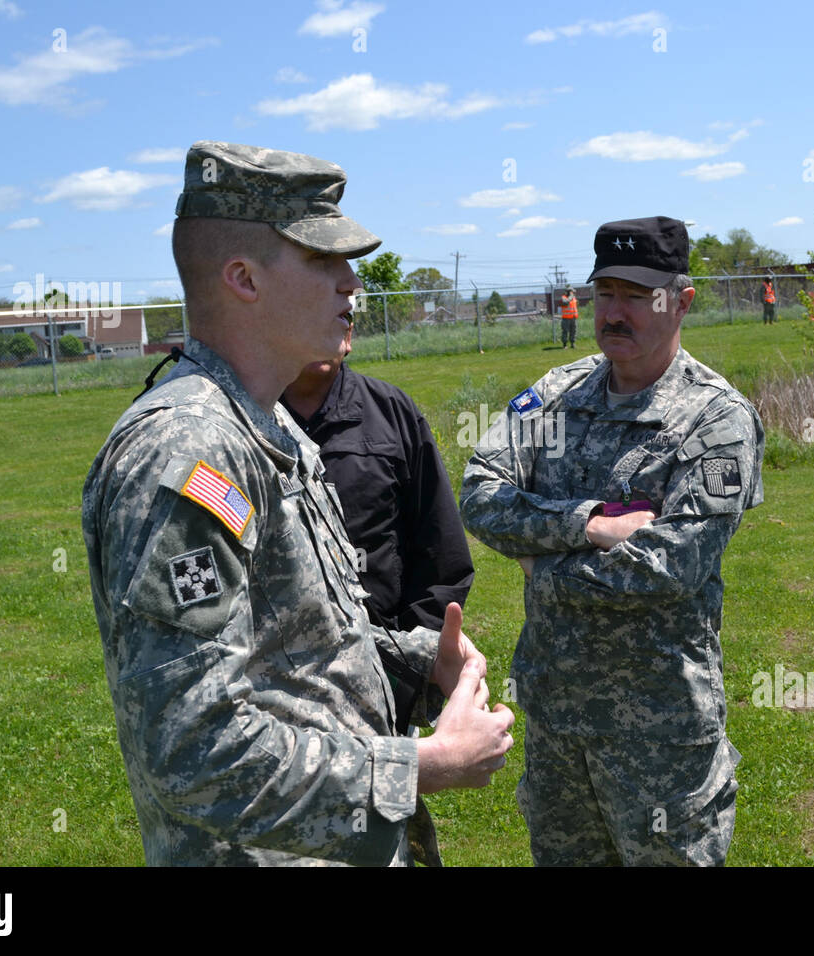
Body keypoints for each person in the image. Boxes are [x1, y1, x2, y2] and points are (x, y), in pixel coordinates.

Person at [82, 141, 514, 866]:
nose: (353, 283)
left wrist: (416, 666)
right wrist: (422, 770)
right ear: (244, 278)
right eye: (323, 261)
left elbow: (298, 649)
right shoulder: (191, 447)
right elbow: (193, 748)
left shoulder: (267, 422)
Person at [461, 216, 764, 866]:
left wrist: (537, 560)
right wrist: (585, 526)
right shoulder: (552, 400)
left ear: (681, 299)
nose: (615, 312)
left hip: (659, 735)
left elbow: (668, 566)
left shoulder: (716, 419)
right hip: (557, 723)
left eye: (637, 295)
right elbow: (481, 493)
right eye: (606, 293)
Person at [280, 323, 476, 866]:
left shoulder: (390, 413)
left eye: (350, 304)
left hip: (375, 684)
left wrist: (406, 671)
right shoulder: (242, 420)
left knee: (381, 835)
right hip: (277, 690)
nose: (341, 313)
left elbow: (439, 556)